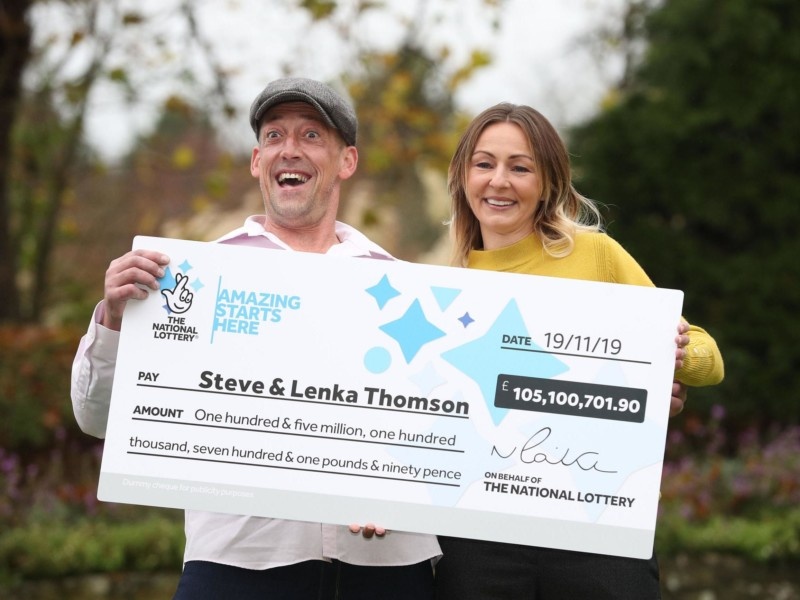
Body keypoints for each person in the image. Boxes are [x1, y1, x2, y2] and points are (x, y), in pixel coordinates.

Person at [71, 77, 440, 600]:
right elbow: (96, 418)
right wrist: (113, 317)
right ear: (255, 160)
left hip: (385, 562)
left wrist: (401, 484)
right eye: (274, 135)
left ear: (347, 161)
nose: (290, 149)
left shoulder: (406, 288)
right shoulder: (188, 281)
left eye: (312, 135)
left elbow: (441, 431)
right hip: (239, 561)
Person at [434, 103, 724, 599]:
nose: (499, 181)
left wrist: (672, 360)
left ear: (548, 182)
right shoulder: (442, 288)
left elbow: (708, 358)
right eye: (484, 164)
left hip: (597, 526)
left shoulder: (595, 255)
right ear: (463, 176)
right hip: (478, 536)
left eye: (520, 167)